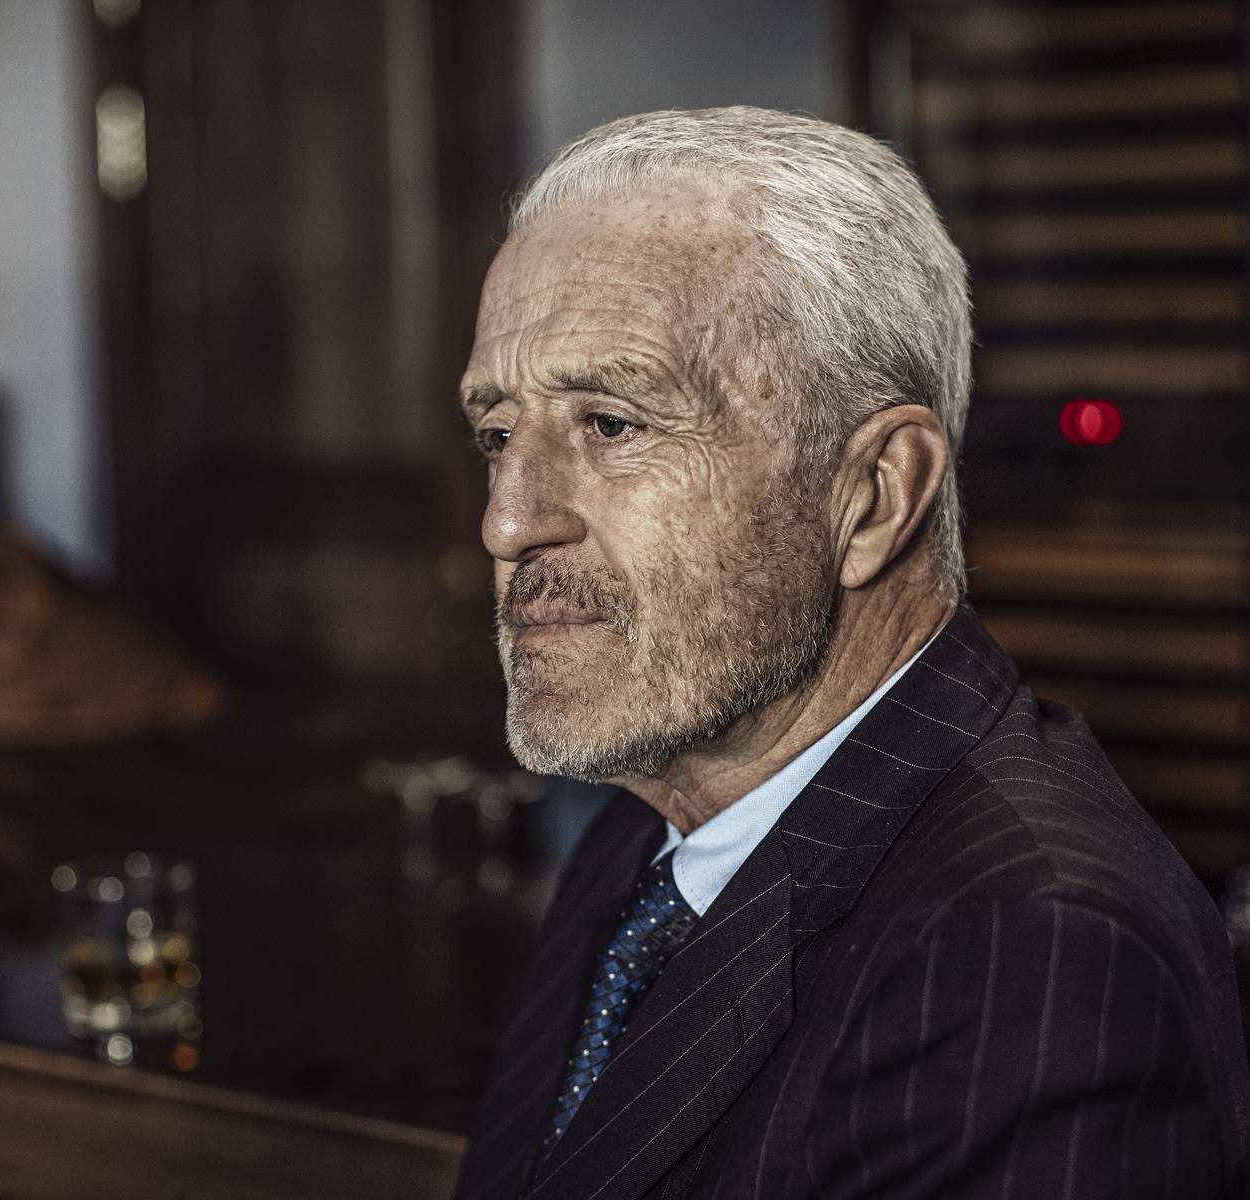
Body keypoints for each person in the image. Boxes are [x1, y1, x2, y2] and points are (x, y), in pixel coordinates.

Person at [452, 107, 1249, 1200]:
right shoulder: (651, 825)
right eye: (499, 435)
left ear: (874, 494)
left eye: (613, 425)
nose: (507, 522)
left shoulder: (1033, 954)